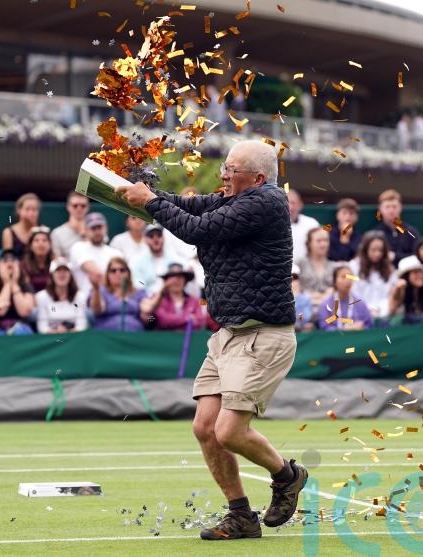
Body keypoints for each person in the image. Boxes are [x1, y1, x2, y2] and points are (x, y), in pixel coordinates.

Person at [115, 139, 305, 541]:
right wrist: (142, 194)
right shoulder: (233, 198)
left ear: (255, 178)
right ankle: (240, 515)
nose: (222, 174)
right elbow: (188, 208)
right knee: (205, 427)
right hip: (230, 333)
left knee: (229, 432)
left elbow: (193, 229)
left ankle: (287, 476)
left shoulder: (266, 201)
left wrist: (149, 202)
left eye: (230, 169)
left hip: (263, 336)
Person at [0, 249, 35, 335]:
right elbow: (0, 311)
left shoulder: (26, 286)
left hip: (20, 326)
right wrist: (7, 283)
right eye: (5, 260)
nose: (9, 263)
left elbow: (24, 312)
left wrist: (14, 284)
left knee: (21, 331)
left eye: (13, 260)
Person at [69, 212, 123, 297]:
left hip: (113, 300)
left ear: (106, 228)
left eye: (99, 227)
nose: (97, 231)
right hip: (85, 301)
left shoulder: (116, 252)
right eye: (93, 228)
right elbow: (96, 275)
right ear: (86, 230)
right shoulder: (78, 247)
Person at [89, 256, 149, 331]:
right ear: (107, 274)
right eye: (113, 270)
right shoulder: (101, 291)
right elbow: (97, 311)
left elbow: (149, 318)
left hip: (135, 334)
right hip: (107, 335)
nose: (118, 273)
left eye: (122, 270)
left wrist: (149, 316)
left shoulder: (139, 292)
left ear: (128, 273)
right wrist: (96, 288)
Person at [141, 263, 207, 331]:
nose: (177, 280)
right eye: (173, 276)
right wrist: (188, 318)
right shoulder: (157, 299)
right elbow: (163, 320)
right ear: (166, 281)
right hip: (162, 339)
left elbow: (199, 321)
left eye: (180, 277)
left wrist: (174, 321)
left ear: (185, 281)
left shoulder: (194, 301)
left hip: (189, 339)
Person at [348, 230, 396, 321]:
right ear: (365, 249)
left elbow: (390, 295)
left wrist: (380, 310)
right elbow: (353, 293)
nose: (377, 254)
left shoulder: (390, 269)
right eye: (373, 250)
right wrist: (367, 310)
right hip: (359, 315)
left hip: (384, 315)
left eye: (380, 250)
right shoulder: (353, 267)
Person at [35, 258, 88, 334]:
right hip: (51, 338)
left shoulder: (80, 296)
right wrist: (56, 332)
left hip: (74, 337)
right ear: (52, 275)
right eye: (58, 271)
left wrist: (67, 332)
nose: (62, 274)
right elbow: (42, 327)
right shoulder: (42, 297)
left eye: (65, 270)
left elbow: (81, 325)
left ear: (70, 275)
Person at [317, 265, 373, 330]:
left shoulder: (360, 304)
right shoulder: (326, 306)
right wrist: (343, 329)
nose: (347, 280)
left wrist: (361, 327)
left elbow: (369, 325)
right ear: (334, 281)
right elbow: (325, 327)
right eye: (343, 277)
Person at [130, 223, 180, 294]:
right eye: (151, 236)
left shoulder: (175, 258)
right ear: (145, 239)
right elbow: (137, 286)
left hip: (171, 300)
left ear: (163, 238)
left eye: (159, 235)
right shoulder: (137, 261)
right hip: (146, 300)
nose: (155, 239)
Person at [297, 227, 338, 310]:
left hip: (329, 310)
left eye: (326, 240)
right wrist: (307, 295)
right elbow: (293, 291)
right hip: (304, 310)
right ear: (309, 243)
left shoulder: (335, 267)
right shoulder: (299, 264)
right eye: (319, 241)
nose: (323, 244)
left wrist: (332, 291)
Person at [389, 255, 423, 325]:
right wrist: (398, 289)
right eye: (415, 272)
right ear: (406, 276)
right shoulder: (399, 291)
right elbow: (391, 312)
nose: (420, 275)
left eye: (420, 272)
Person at [375, 189, 419, 265]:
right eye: (387, 207)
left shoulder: (411, 232)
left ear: (400, 208)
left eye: (394, 207)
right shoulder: (376, 233)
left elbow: (419, 255)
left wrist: (396, 256)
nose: (391, 211)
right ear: (380, 209)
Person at [1, 193, 41, 259]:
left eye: (34, 209)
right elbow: (8, 259)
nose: (31, 213)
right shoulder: (8, 232)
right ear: (19, 210)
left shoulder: (42, 230)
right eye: (27, 209)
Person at [51, 191, 89, 259]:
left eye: (83, 206)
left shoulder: (96, 229)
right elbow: (57, 260)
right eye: (75, 205)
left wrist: (84, 235)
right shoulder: (57, 233)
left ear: (88, 207)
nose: (79, 209)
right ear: (68, 207)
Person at [287, 188, 319, 265]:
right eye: (287, 202)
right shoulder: (272, 224)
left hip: (307, 271)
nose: (290, 207)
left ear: (300, 205)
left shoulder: (312, 223)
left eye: (293, 203)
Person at [328, 197, 361, 262]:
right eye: (344, 213)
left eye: (351, 213)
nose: (348, 216)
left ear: (356, 217)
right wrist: (344, 237)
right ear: (337, 215)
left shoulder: (359, 237)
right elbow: (337, 257)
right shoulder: (329, 234)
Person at [22, 226, 53, 293]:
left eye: (44, 240)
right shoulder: (23, 265)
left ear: (50, 245)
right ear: (30, 246)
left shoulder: (56, 263)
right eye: (36, 240)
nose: (40, 243)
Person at [291, 263, 314, 331]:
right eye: (290, 279)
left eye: (295, 278)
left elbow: (304, 318)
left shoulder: (305, 299)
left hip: (301, 332)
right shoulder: (279, 298)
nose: (293, 282)